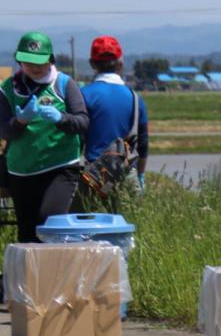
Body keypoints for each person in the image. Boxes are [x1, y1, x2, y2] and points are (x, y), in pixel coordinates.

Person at [0, 32, 89, 243]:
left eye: (39, 62)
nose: (34, 67)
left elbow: (83, 121)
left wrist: (61, 118)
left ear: (51, 59)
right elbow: (3, 131)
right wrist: (20, 121)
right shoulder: (7, 90)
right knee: (27, 233)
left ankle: (57, 264)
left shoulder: (64, 84)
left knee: (49, 223)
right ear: (19, 60)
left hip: (60, 167)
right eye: (28, 62)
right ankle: (29, 266)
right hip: (21, 170)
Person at [81, 35, 149, 196]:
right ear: (121, 63)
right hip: (126, 173)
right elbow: (143, 144)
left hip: (92, 175)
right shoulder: (135, 98)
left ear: (92, 64)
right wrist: (140, 175)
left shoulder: (82, 95)